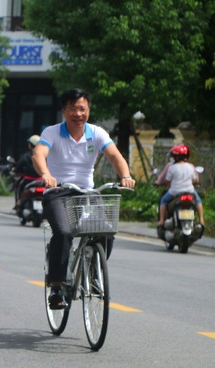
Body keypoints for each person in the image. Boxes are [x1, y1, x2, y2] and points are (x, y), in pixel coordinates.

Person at [32, 88, 136, 310]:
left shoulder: (96, 133)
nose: (78, 114)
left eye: (82, 109)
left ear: (88, 110)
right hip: (58, 192)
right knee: (64, 232)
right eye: (73, 109)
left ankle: (94, 270)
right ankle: (57, 287)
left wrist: (125, 176)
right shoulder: (52, 132)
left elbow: (114, 155)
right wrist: (46, 175)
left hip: (87, 193)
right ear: (64, 111)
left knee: (106, 231)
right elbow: (39, 153)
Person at [157, 144, 205, 228]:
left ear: (176, 157)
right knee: (198, 201)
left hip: (175, 191)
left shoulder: (172, 167)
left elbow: (167, 181)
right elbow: (195, 180)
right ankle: (201, 220)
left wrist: (168, 184)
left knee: (163, 201)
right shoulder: (191, 166)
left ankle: (161, 221)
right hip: (190, 191)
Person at [13, 135, 42, 211]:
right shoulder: (44, 155)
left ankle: (18, 202)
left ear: (31, 145)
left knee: (20, 188)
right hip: (41, 181)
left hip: (28, 180)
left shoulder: (26, 156)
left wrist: (17, 171)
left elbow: (18, 167)